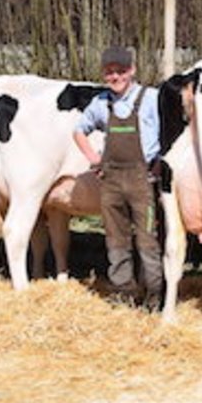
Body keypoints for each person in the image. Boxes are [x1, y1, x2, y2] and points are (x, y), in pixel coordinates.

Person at [73, 46, 163, 310]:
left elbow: (168, 136)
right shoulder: (100, 103)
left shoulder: (151, 98)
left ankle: (154, 294)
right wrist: (93, 158)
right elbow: (79, 131)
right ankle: (123, 293)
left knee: (148, 239)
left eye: (120, 71)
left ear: (132, 70)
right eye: (110, 72)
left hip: (143, 181)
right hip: (111, 182)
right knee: (116, 239)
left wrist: (158, 166)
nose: (115, 77)